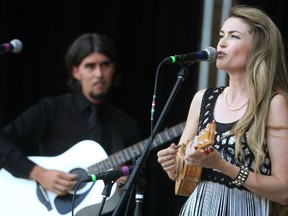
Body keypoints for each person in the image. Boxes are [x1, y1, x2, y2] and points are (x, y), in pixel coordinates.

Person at [157, 4, 288, 216]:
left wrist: (223, 166)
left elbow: (284, 191)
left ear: (258, 47)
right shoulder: (203, 99)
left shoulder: (274, 104)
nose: (221, 44)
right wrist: (172, 165)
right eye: (221, 35)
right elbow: (182, 177)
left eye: (234, 36)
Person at [0, 33, 140, 215]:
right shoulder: (51, 109)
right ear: (76, 72)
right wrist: (39, 173)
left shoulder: (125, 125)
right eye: (90, 66)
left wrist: (123, 183)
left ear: (113, 68)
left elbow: (134, 179)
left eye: (105, 65)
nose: (99, 74)